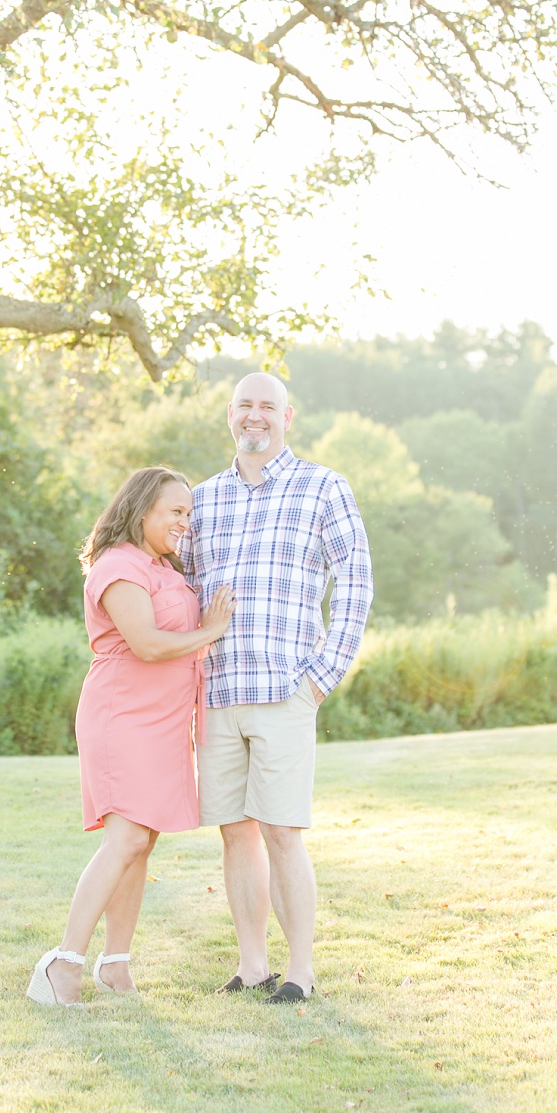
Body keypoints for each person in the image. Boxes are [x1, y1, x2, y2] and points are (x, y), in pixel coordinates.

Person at [186, 372, 373, 1004]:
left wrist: (322, 677)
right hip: (216, 692)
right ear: (230, 417)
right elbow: (185, 594)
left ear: (287, 417)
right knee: (234, 831)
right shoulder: (203, 499)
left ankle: (299, 971)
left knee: (281, 830)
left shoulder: (323, 488)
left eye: (267, 406)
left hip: (285, 688)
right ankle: (251, 963)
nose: (255, 416)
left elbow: (356, 581)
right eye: (245, 406)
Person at [28, 467, 235, 1007]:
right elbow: (145, 643)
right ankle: (62, 965)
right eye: (175, 512)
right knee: (123, 840)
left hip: (165, 723)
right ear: (143, 509)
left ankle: (115, 965)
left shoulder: (163, 566)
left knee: (142, 843)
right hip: (123, 716)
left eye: (189, 513)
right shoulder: (118, 566)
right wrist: (211, 631)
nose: (185, 523)